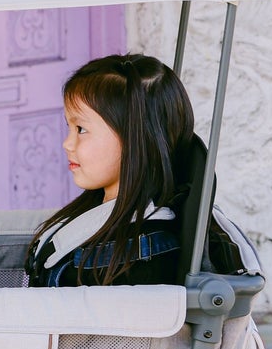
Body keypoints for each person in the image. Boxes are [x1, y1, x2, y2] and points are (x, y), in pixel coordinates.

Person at [26, 53, 243, 287]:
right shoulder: (97, 215)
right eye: (68, 126)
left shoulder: (139, 256)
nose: (67, 143)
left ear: (135, 140)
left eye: (80, 129)